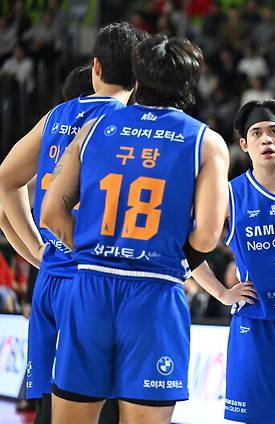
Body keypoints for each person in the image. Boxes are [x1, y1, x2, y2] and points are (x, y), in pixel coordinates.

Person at [40, 35, 230, 424]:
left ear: (138, 78)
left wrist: (92, 249)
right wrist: (166, 259)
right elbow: (208, 236)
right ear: (190, 84)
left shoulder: (93, 128)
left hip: (91, 286)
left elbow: (51, 212)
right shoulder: (205, 142)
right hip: (154, 292)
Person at [0, 22, 148, 424]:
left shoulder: (57, 116)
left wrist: (36, 249)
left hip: (51, 280)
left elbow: (6, 180)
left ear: (96, 66)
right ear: (140, 78)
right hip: (98, 282)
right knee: (102, 408)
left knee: (50, 408)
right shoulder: (132, 124)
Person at [193, 99, 275, 423]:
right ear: (244, 144)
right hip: (255, 323)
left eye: (273, 131)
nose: (266, 139)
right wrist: (222, 293)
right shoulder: (229, 194)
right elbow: (188, 249)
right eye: (256, 133)